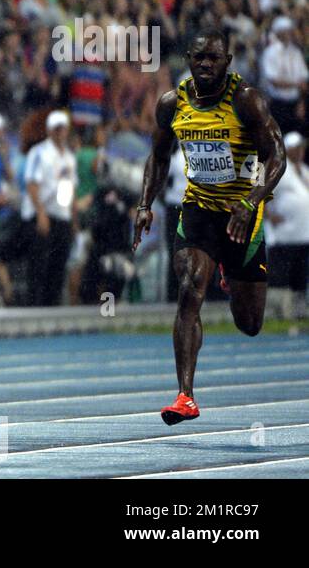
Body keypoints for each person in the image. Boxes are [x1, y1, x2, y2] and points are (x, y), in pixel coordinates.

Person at [133, 27, 286, 425]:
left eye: (213, 58)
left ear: (227, 62)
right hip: (198, 210)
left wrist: (251, 200)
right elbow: (158, 155)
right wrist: (144, 204)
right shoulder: (172, 103)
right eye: (198, 57)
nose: (204, 64)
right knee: (188, 289)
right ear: (188, 58)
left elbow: (278, 158)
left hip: (242, 217)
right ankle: (185, 395)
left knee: (249, 324)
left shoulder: (246, 101)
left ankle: (227, 270)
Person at [21, 110, 78, 306]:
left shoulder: (69, 157)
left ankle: (51, 307)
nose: (61, 132)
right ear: (50, 131)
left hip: (60, 214)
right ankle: (34, 307)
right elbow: (32, 184)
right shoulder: (39, 152)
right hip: (42, 214)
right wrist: (41, 213)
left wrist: (71, 217)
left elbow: (69, 188)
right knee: (39, 265)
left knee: (58, 265)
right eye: (57, 129)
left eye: (63, 128)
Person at [265, 131, 308, 319]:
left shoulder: (305, 170)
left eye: (301, 148)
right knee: (281, 276)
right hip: (284, 236)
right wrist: (269, 215)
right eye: (296, 148)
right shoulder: (279, 169)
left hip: (304, 234)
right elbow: (262, 191)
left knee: (300, 277)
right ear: (288, 150)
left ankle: (298, 312)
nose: (300, 152)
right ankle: (279, 312)